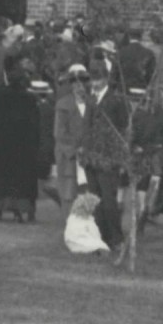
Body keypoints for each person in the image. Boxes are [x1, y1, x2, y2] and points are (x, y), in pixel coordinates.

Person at [0, 56, 40, 222]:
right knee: (19, 179)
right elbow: (34, 125)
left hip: (0, 146)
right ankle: (19, 209)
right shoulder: (29, 99)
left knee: (0, 177)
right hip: (22, 147)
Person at [52, 62, 89, 212]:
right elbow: (59, 133)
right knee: (69, 191)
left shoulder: (92, 104)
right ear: (71, 85)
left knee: (86, 191)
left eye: (83, 82)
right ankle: (70, 226)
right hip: (69, 155)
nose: (80, 86)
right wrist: (75, 150)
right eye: (76, 83)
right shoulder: (63, 105)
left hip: (87, 154)